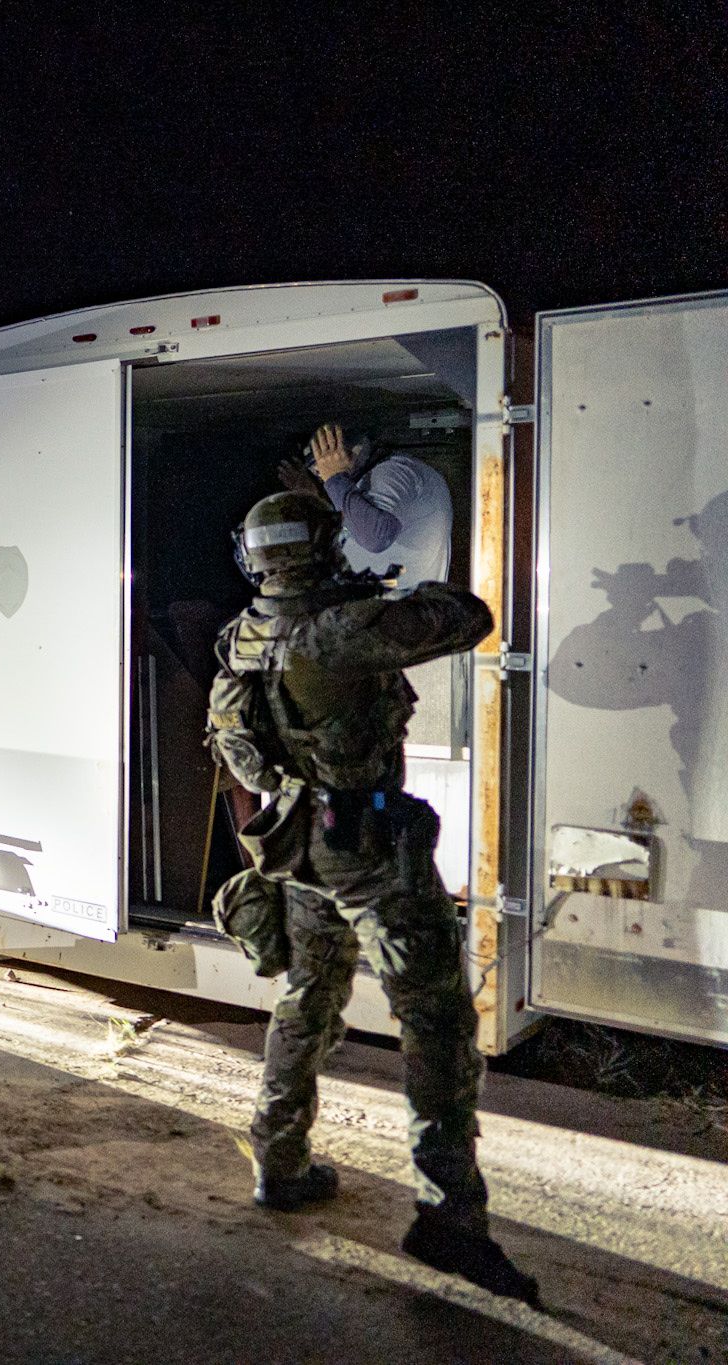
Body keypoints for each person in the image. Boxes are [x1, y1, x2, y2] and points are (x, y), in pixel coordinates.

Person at [205, 490, 539, 1306]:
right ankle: (449, 1218)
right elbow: (470, 614)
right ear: (320, 547)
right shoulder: (342, 631)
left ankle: (279, 1162)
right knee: (436, 1020)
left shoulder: (241, 634)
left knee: (308, 995)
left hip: (299, 848)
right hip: (369, 853)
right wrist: (373, 586)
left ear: (254, 557)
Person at [282, 423, 452, 585]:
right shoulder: (364, 483)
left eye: (328, 457)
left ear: (357, 448)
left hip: (402, 606)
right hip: (377, 601)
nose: (322, 472)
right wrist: (317, 496)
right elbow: (353, 522)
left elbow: (376, 536)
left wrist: (334, 479)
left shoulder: (393, 471)